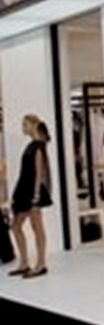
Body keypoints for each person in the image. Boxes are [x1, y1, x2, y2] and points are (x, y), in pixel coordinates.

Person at [8, 116, 53, 279]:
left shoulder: (38, 146)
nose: (22, 127)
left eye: (25, 124)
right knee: (15, 226)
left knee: (36, 227)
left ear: (33, 125)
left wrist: (36, 197)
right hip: (23, 190)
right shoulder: (31, 145)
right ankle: (24, 263)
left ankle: (41, 265)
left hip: (33, 193)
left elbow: (39, 174)